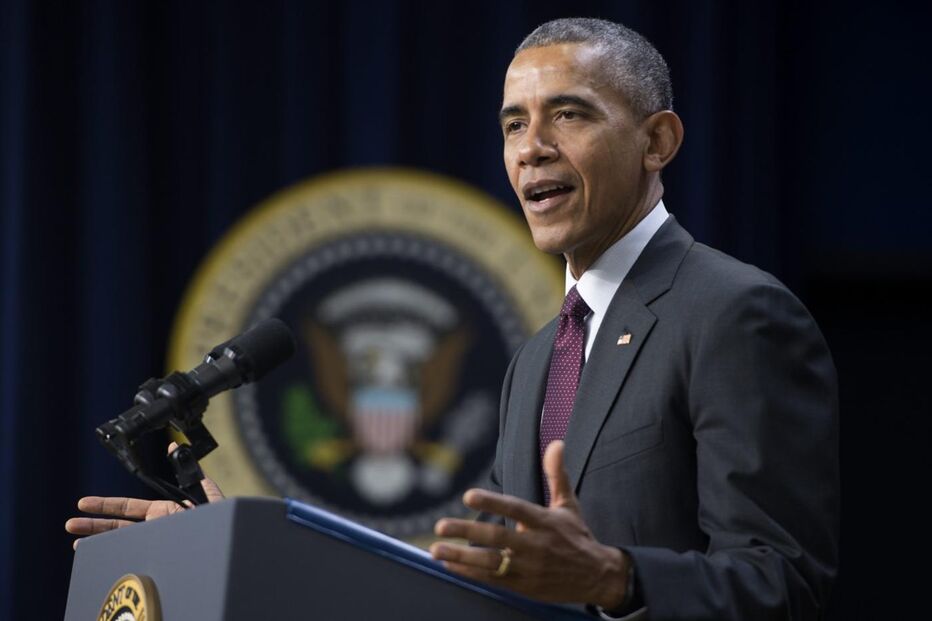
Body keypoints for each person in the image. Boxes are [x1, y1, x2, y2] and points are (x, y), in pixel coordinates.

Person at [67, 17, 839, 620]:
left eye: (568, 115)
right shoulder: (539, 357)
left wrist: (616, 577)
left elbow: (786, 583)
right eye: (513, 123)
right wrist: (257, 542)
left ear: (657, 141)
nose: (532, 148)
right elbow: (480, 591)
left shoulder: (735, 312)